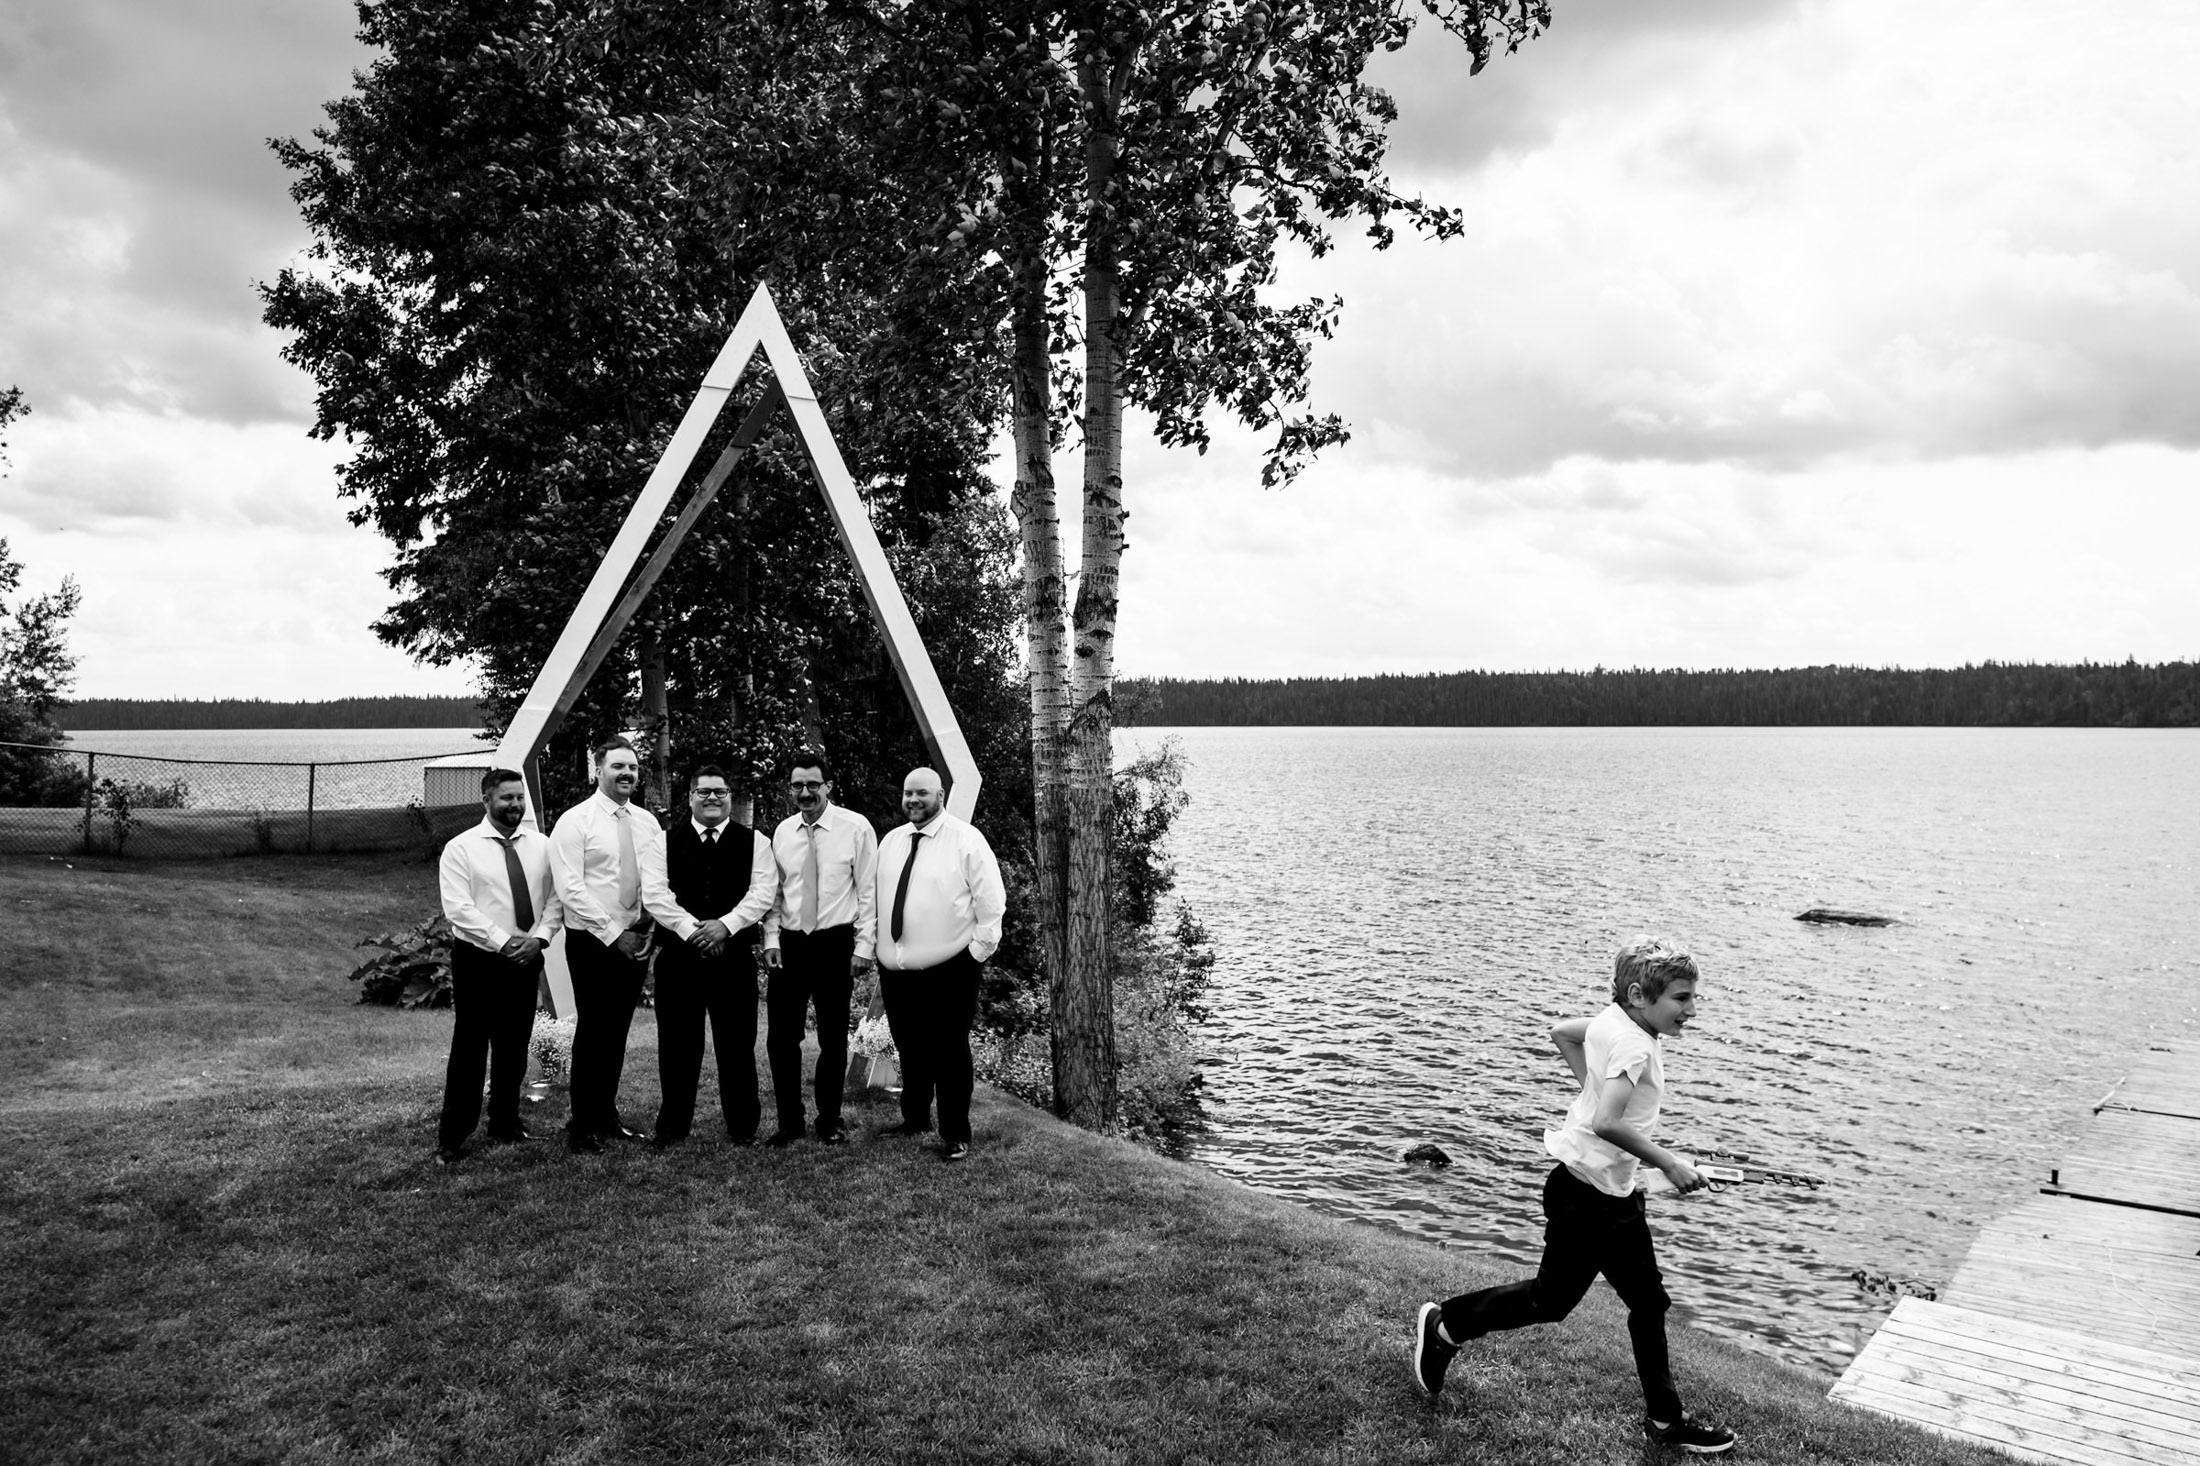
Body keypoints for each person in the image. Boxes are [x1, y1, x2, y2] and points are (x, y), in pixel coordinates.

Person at [1410, 937, 1738, 1456]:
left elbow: (1562, 1033)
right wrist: (1670, 1164)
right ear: (1639, 994)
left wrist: (1593, 1093)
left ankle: (1665, 1420)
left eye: (1692, 997)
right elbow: (1608, 1122)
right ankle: (1445, 1325)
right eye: (1680, 998)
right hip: (1587, 1201)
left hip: (1610, 1194)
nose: (1692, 1010)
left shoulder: (1615, 1022)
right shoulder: (1633, 1043)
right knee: (1550, 1301)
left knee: (1648, 1302)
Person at [873, 765, 1004, 1162]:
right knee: (910, 1048)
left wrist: (974, 956)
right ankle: (914, 1119)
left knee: (949, 1052)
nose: (913, 800)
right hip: (897, 971)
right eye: (908, 793)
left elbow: (991, 903)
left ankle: (955, 1133)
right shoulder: (892, 841)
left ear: (941, 796)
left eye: (922, 793)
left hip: (951, 968)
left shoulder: (966, 840)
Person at [434, 767, 563, 1165]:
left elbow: (557, 898)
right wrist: (503, 941)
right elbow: (459, 909)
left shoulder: (541, 845)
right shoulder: (461, 848)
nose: (515, 805)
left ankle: (505, 1121)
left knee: (513, 1045)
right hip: (479, 960)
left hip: (526, 957)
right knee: (470, 1047)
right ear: (486, 800)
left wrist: (540, 939)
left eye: (520, 798)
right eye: (507, 798)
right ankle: (454, 1135)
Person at [548, 736, 672, 1154]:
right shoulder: (575, 821)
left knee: (617, 1030)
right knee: (593, 1030)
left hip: (635, 939)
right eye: (618, 766)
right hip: (592, 941)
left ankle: (606, 1115)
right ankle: (581, 1125)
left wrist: (652, 926)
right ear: (597, 769)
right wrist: (614, 934)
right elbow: (570, 888)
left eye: (633, 768)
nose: (627, 774)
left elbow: (655, 882)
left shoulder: (647, 823)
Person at [650, 763, 777, 1149]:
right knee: (676, 1046)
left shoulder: (757, 842)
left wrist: (725, 925)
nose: (712, 798)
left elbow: (762, 892)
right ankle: (672, 1127)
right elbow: (655, 894)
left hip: (733, 957)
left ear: (730, 798)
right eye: (704, 792)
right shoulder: (663, 842)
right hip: (678, 959)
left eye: (720, 792)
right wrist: (694, 931)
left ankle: (742, 1127)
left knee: (737, 1045)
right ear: (690, 797)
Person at [759, 751, 878, 1146]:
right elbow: (774, 894)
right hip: (790, 945)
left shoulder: (856, 827)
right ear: (790, 788)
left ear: (828, 785)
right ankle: (790, 1122)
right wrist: (772, 939)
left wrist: (864, 946)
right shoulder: (782, 832)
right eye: (798, 785)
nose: (805, 792)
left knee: (831, 1038)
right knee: (781, 1038)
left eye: (813, 784)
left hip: (835, 943)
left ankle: (829, 1119)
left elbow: (869, 891)